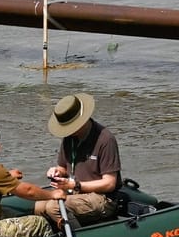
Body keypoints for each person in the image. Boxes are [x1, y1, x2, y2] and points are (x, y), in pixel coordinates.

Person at [36, 92, 123, 227]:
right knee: (39, 206)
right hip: (76, 192)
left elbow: (110, 183)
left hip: (102, 197)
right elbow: (63, 168)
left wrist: (76, 185)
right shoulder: (69, 139)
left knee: (54, 207)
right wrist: (56, 172)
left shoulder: (105, 139)